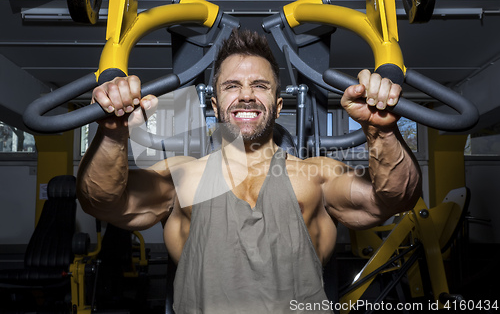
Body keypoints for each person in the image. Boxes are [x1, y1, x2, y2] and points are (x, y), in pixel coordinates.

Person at [77, 29, 421, 313]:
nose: (246, 96)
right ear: (214, 106)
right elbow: (101, 201)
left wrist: (382, 131)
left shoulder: (316, 176)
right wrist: (112, 133)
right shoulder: (182, 176)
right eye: (231, 86)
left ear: (278, 103)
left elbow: (396, 197)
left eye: (260, 85)